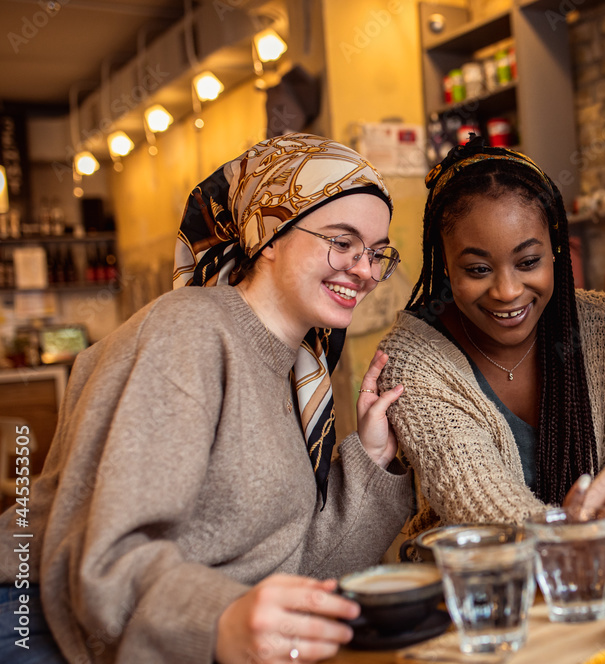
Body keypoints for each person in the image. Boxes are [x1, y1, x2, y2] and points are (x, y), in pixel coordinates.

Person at [0, 134, 414, 664]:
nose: (365, 270)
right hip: (42, 629)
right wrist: (219, 618)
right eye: (342, 240)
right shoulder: (189, 332)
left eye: (378, 252)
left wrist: (374, 459)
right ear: (270, 234)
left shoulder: (298, 372)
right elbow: (104, 561)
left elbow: (294, 571)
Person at [376, 137, 605, 546]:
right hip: (476, 591)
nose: (507, 291)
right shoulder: (412, 360)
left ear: (556, 251)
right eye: (477, 269)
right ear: (445, 265)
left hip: (602, 582)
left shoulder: (602, 328)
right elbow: (481, 504)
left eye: (528, 262)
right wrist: (585, 537)